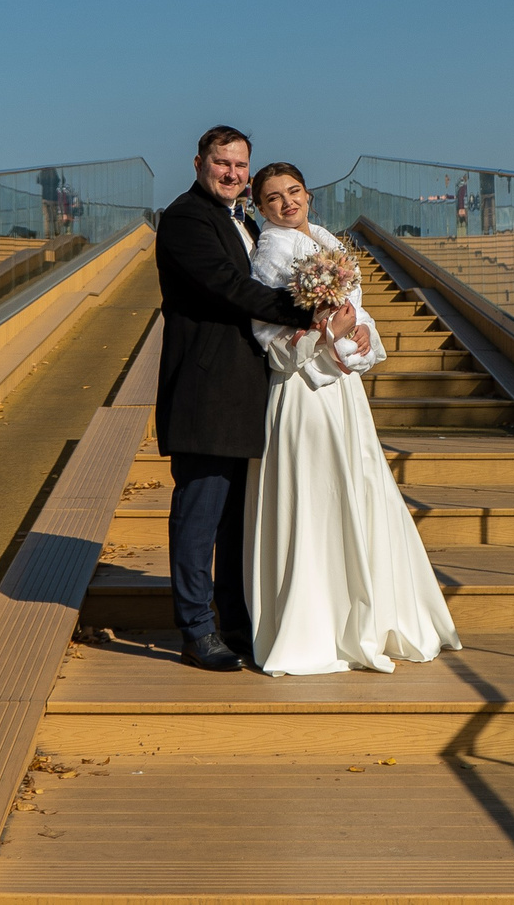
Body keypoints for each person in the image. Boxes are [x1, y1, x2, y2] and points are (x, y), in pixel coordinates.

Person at [243, 162, 459, 675]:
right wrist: (326, 333)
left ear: (309, 194)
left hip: (344, 393)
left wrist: (359, 333)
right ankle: (316, 624)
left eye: (293, 192)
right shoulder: (271, 251)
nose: (285, 204)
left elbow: (355, 316)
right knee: (317, 498)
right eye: (272, 198)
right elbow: (271, 342)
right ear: (260, 207)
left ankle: (364, 614)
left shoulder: (326, 243)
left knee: (356, 491)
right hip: (303, 395)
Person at [155, 126, 358, 672]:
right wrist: (307, 313)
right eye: (222, 163)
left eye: (240, 165)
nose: (232, 173)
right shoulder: (185, 219)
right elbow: (227, 285)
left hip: (247, 392)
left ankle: (238, 625)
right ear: (199, 162)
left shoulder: (243, 220)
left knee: (233, 521)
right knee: (200, 514)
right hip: (205, 389)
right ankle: (197, 629)